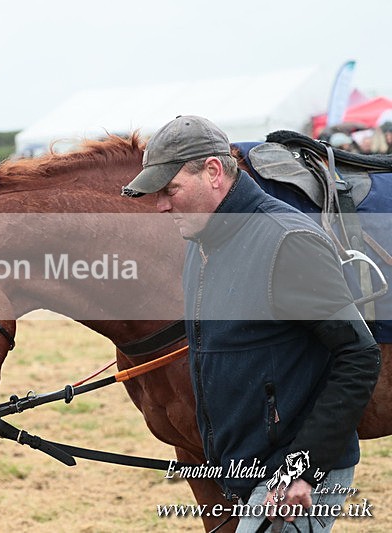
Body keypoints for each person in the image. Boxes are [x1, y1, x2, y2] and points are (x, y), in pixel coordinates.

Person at [122, 115, 381, 532]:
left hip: (294, 478)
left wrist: (303, 468)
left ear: (212, 172)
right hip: (246, 470)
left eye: (171, 190)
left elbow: (359, 355)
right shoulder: (200, 244)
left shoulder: (286, 241)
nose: (161, 206)